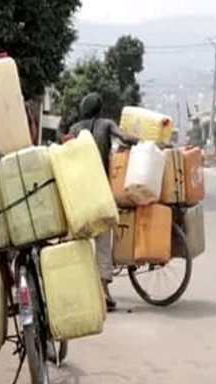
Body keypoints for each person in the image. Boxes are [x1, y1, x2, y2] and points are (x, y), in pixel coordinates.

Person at [67, 92, 140, 311]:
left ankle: (74, 291)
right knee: (102, 241)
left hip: (79, 193)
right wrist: (146, 143)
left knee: (77, 240)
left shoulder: (74, 129)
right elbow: (125, 138)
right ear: (100, 109)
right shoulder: (107, 124)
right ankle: (104, 292)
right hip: (100, 191)